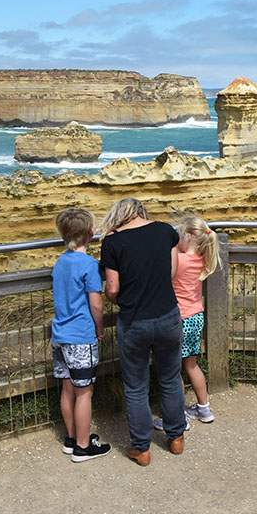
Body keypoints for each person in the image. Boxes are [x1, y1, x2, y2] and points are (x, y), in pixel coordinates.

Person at [99, 198, 184, 466]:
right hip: (168, 315)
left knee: (136, 387)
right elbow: (172, 272)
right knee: (170, 378)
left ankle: (142, 449)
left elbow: (112, 289)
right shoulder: (164, 230)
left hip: (134, 320)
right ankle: (176, 438)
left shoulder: (112, 242)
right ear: (141, 212)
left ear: (119, 215)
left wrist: (122, 301)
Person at [50, 208, 112, 462]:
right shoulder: (88, 265)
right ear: (91, 233)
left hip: (60, 334)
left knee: (68, 388)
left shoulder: (60, 261)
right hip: (81, 335)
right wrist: (99, 328)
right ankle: (84, 447)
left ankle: (72, 438)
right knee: (85, 391)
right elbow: (96, 304)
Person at [154, 216, 221, 428]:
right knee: (191, 365)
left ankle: (177, 415)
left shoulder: (180, 260)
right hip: (196, 317)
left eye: (179, 235)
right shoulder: (202, 259)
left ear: (188, 236)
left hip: (179, 319)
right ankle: (204, 408)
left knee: (173, 371)